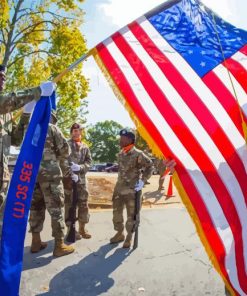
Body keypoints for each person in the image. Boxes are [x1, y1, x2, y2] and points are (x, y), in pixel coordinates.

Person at [0, 64, 55, 238]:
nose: (3, 79)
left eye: (4, 77)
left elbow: (15, 139)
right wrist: (36, 91)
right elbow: (8, 101)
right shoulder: (4, 105)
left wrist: (25, 115)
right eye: (0, 75)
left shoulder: (6, 114)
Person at [28, 111, 76, 257]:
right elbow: (65, 150)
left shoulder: (29, 127)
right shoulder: (52, 128)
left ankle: (36, 242)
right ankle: (59, 245)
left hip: (32, 174)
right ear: (52, 118)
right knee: (56, 209)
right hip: (50, 175)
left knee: (36, 208)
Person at [110, 128, 154, 248]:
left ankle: (129, 237)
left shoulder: (138, 154)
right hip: (119, 189)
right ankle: (119, 233)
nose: (120, 140)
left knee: (131, 216)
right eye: (120, 137)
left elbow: (150, 166)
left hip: (132, 191)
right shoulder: (120, 153)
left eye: (123, 138)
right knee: (116, 214)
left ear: (130, 140)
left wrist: (143, 181)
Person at [63, 123, 92, 240]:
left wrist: (80, 167)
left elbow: (89, 162)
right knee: (69, 206)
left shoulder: (85, 147)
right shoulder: (66, 145)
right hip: (69, 182)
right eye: (74, 130)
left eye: (78, 130)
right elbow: (62, 161)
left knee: (83, 205)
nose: (76, 132)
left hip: (82, 182)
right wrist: (70, 172)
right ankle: (71, 229)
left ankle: (82, 228)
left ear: (81, 132)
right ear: (71, 132)